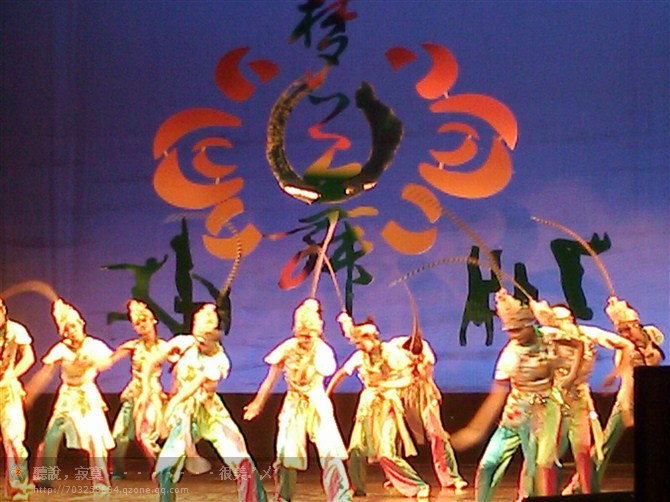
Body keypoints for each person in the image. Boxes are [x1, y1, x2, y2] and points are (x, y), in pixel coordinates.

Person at [451, 289, 566, 502]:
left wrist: (570, 375)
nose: (514, 336)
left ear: (529, 325)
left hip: (543, 412)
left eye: (518, 330)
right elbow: (497, 395)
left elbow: (576, 341)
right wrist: (475, 430)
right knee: (488, 463)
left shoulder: (549, 335)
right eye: (510, 331)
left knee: (537, 466)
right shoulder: (510, 356)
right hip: (515, 414)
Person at [149, 303, 266, 502]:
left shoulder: (220, 361)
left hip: (212, 414)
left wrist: (171, 405)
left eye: (206, 335)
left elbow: (195, 385)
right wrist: (150, 385)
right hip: (187, 415)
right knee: (164, 469)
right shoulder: (184, 343)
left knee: (242, 462)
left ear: (217, 335)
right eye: (198, 333)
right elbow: (152, 362)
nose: (201, 340)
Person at [244, 298, 351, 502]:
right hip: (293, 403)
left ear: (317, 331)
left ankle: (340, 498)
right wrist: (258, 403)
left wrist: (310, 357)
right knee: (287, 452)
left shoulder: (322, 350)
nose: (304, 340)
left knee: (330, 451)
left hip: (316, 402)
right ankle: (283, 497)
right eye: (301, 335)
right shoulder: (288, 347)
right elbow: (270, 379)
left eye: (309, 335)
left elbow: (322, 370)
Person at [563, 296, 665, 494]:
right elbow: (627, 381)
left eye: (627, 329)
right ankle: (579, 486)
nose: (624, 334)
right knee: (604, 446)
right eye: (620, 331)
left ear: (636, 324)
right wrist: (625, 408)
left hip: (652, 400)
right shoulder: (624, 351)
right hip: (629, 401)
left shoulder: (651, 336)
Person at [530, 300, 634, 494]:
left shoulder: (586, 334)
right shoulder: (549, 335)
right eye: (559, 320)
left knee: (583, 451)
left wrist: (615, 373)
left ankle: (588, 493)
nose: (564, 324)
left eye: (567, 319)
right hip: (554, 400)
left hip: (578, 399)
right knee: (547, 454)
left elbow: (626, 345)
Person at [327, 312, 430, 499]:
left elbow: (410, 377)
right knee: (356, 449)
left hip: (387, 406)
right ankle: (357, 487)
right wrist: (327, 395)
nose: (358, 345)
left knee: (386, 452)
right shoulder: (359, 357)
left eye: (360, 341)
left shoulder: (389, 352)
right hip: (367, 406)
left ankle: (417, 485)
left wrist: (388, 385)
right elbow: (341, 373)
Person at [30, 298, 115, 492]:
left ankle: (101, 482)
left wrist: (92, 361)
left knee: (95, 438)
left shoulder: (93, 345)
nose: (72, 332)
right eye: (67, 329)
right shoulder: (61, 348)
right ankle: (44, 478)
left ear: (81, 324)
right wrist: (32, 390)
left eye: (74, 326)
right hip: (67, 396)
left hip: (87, 395)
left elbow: (107, 361)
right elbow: (46, 371)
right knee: (52, 436)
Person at [388, 334, 468, 493]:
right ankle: (397, 477)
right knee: (395, 436)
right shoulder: (394, 348)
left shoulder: (425, 352)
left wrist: (431, 385)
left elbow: (427, 375)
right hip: (400, 393)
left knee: (437, 433)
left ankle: (451, 476)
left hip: (424, 393)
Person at [109, 299, 168, 478]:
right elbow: (110, 359)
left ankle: (163, 469)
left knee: (146, 438)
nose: (142, 325)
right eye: (137, 323)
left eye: (144, 320)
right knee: (119, 436)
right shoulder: (133, 346)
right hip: (134, 393)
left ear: (153, 321)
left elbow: (178, 358)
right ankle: (117, 471)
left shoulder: (163, 347)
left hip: (151, 395)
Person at [0, 297, 35, 500]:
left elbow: (29, 357)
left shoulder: (16, 330)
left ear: (3, 310)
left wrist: (12, 375)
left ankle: (19, 487)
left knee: (14, 441)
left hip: (8, 391)